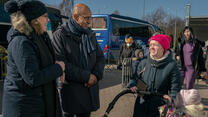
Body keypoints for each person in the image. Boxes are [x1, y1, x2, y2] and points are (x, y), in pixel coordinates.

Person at [2, 0, 65, 117]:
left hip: (34, 106)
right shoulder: (21, 42)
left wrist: (55, 64)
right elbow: (33, 78)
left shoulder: (37, 37)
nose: (48, 19)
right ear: (35, 19)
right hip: (24, 109)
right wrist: (58, 68)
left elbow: (40, 62)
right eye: (45, 16)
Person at [52, 3, 105, 117]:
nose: (89, 21)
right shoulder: (60, 35)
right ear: (75, 17)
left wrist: (95, 75)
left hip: (88, 91)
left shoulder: (90, 34)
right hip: (71, 94)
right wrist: (87, 77)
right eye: (86, 18)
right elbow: (61, 64)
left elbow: (100, 57)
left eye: (90, 18)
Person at [128, 34, 181, 117]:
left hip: (159, 107)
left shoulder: (172, 65)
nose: (151, 47)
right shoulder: (144, 62)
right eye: (150, 45)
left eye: (155, 45)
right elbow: (134, 78)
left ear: (163, 48)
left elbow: (175, 88)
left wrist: (171, 98)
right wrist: (132, 84)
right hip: (141, 105)